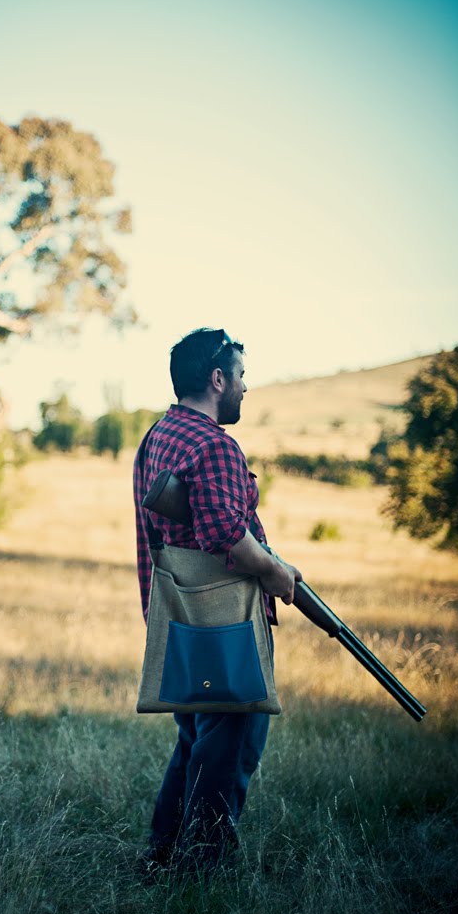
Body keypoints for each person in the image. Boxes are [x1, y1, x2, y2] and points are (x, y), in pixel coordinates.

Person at [133, 327, 302, 876]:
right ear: (217, 379)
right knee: (231, 741)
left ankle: (163, 852)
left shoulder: (158, 435)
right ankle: (203, 869)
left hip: (178, 615)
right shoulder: (215, 445)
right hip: (222, 620)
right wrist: (276, 572)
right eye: (241, 376)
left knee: (196, 740)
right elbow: (227, 535)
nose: (245, 387)